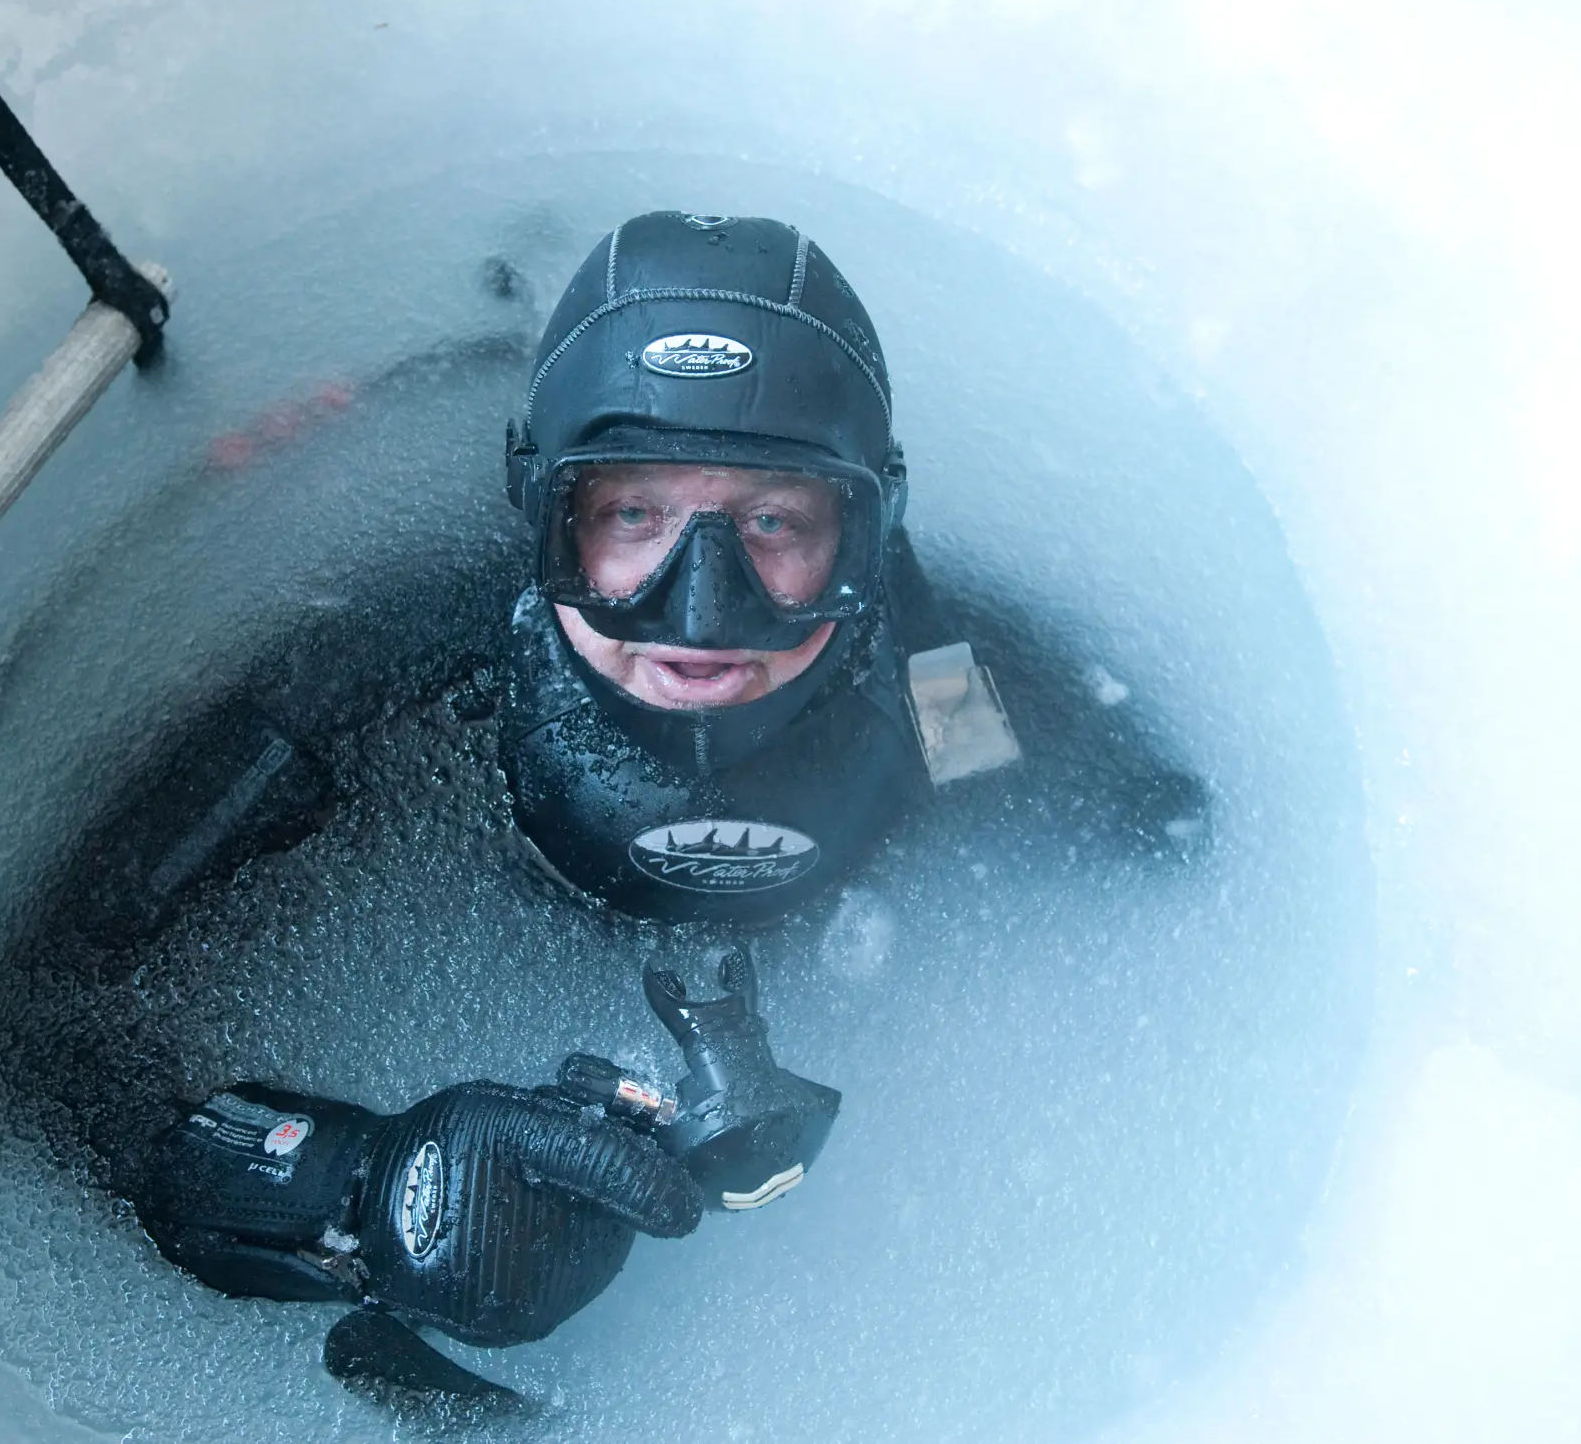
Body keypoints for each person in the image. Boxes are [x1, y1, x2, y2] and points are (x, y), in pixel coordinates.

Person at [128, 213, 1031, 1406]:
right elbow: (50, 1022)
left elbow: (1105, 838)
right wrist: (352, 1188)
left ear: (864, 530)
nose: (697, 616)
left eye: (772, 523)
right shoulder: (420, 661)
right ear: (543, 513)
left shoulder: (936, 676)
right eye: (632, 518)